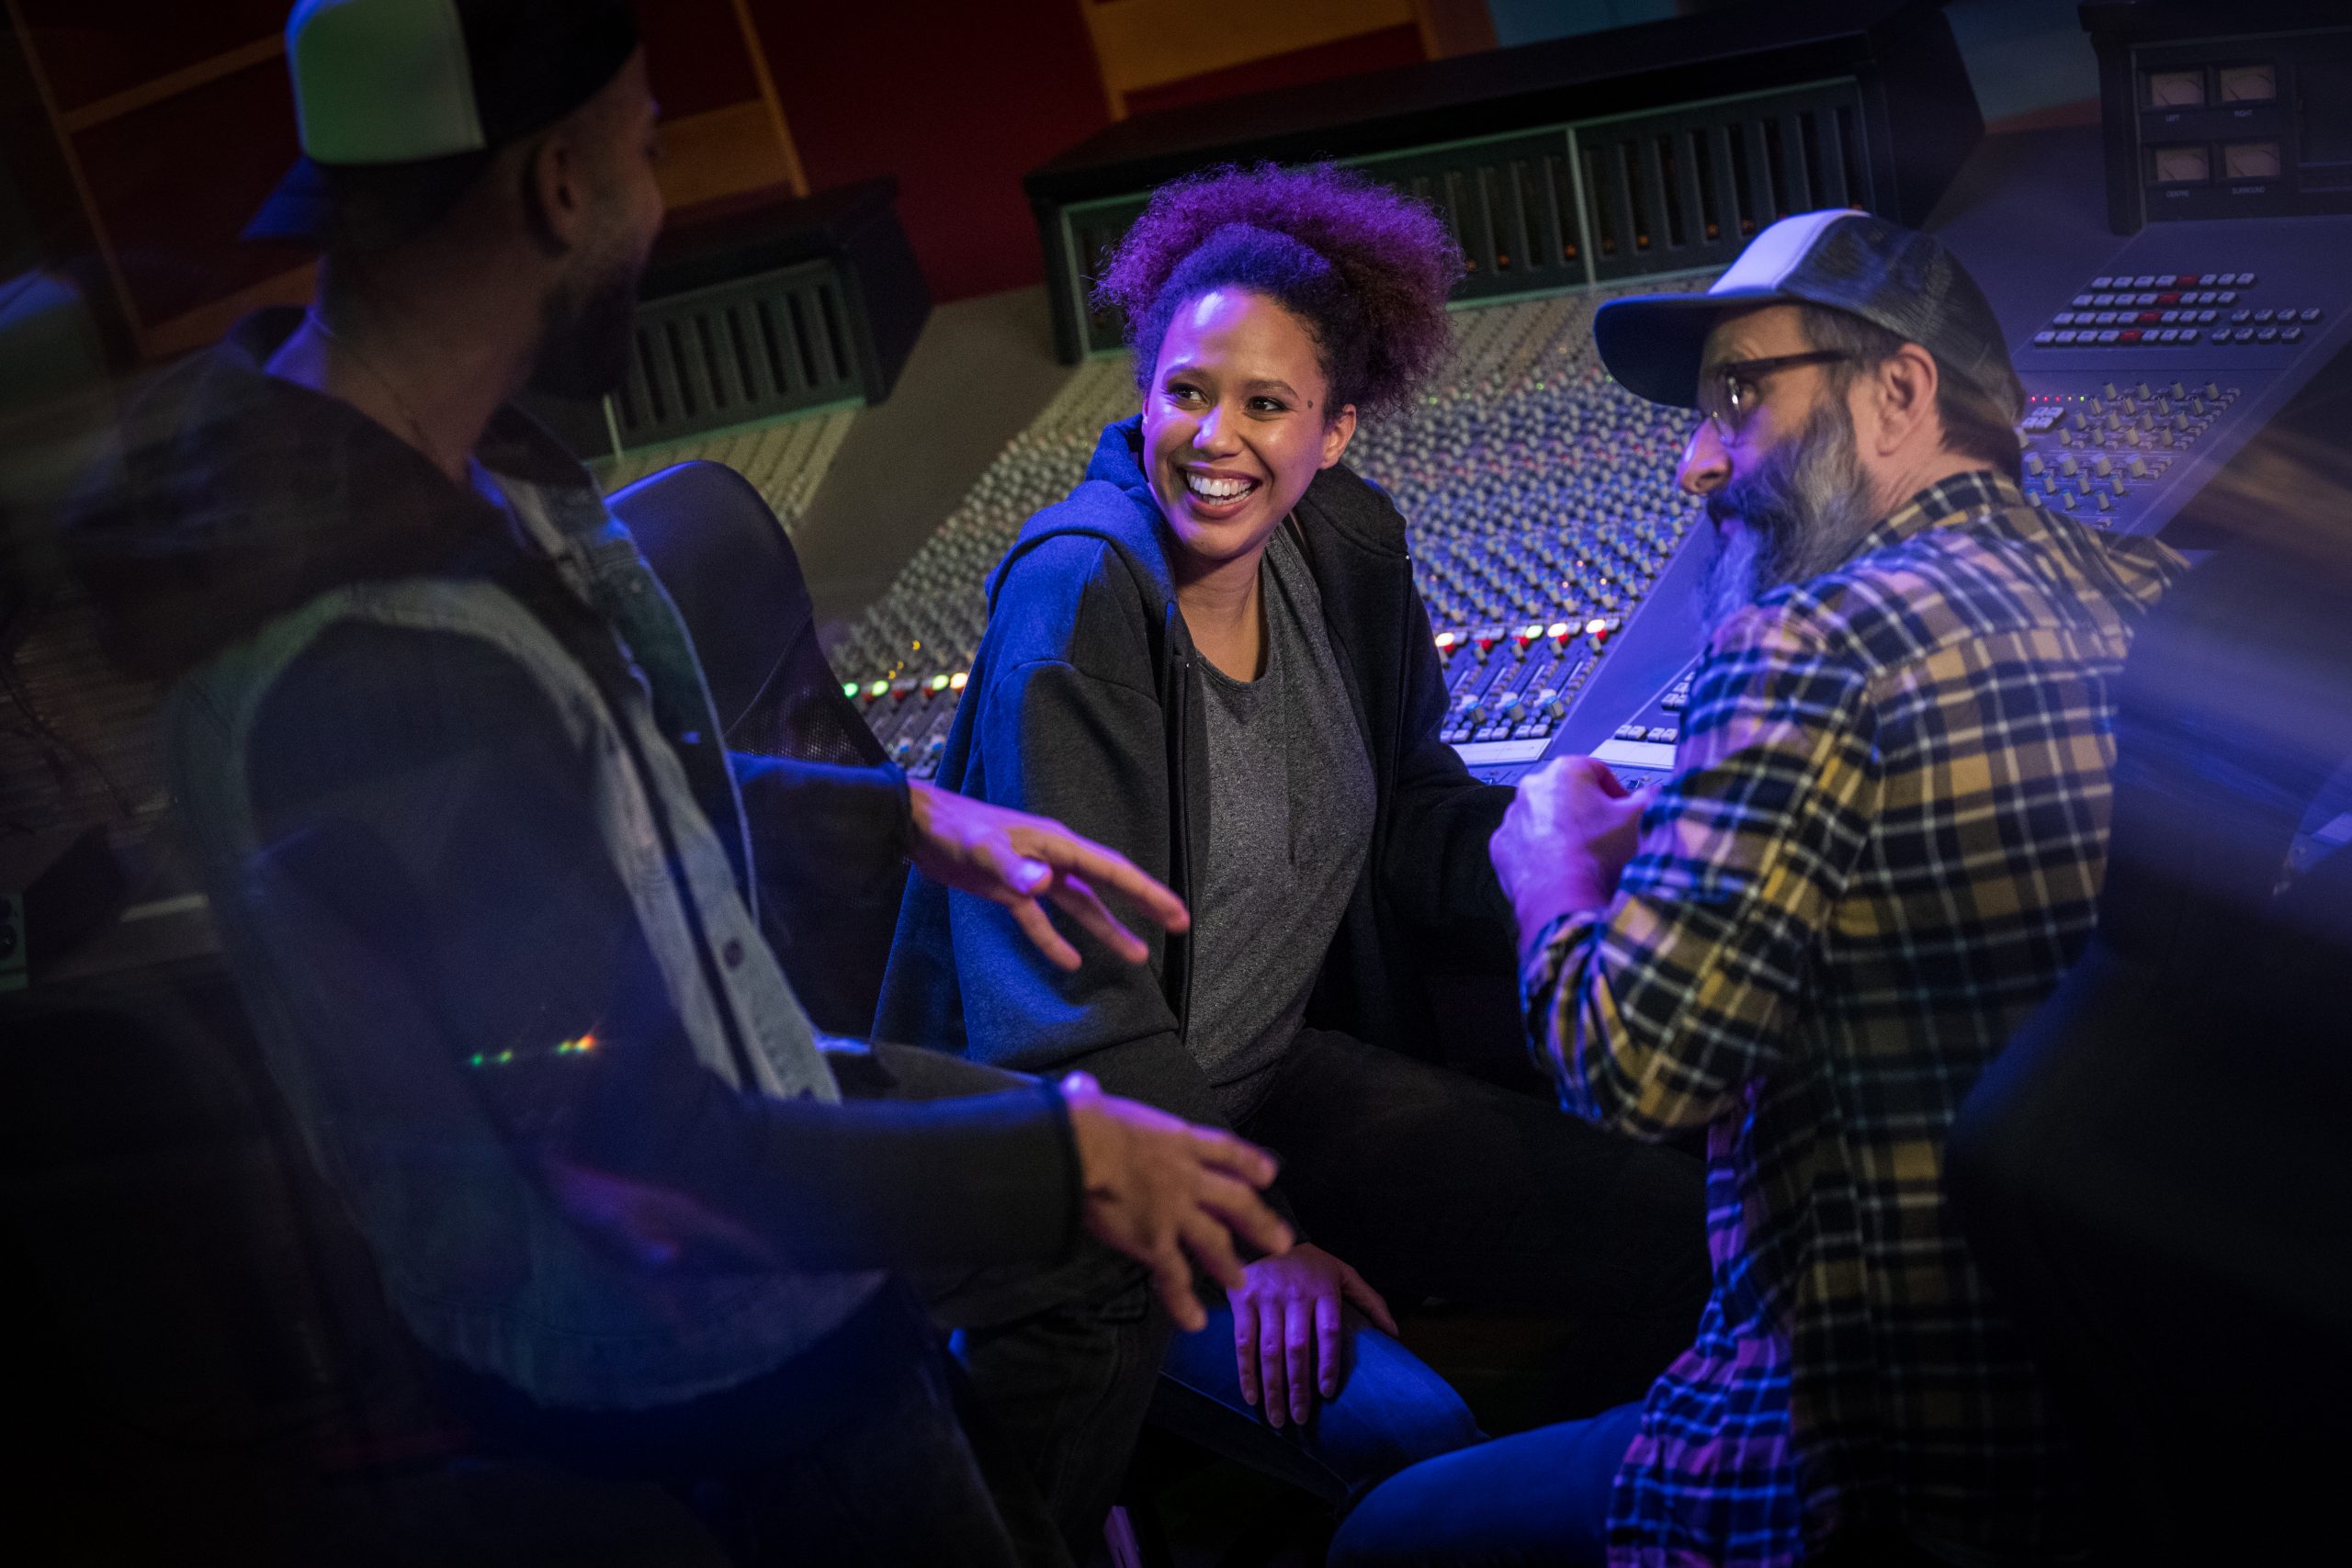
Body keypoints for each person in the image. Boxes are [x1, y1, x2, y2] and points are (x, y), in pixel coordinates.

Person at [62, 4, 1292, 1564]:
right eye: (644, 152)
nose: (659, 197)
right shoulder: (374, 663)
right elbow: (636, 1147)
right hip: (699, 1365)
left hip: (741, 1168)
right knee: (1089, 1194)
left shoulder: (446, 472)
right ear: (559, 189)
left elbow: (571, 810)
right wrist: (1063, 1162)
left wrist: (905, 816)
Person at [1330, 209, 2186, 1568]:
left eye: (1742, 393)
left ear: (1900, 391)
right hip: (2149, 1412)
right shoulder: (2169, 596)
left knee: (1388, 1539)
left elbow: (1636, 1076)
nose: (1696, 459)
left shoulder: (1807, 644)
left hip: (1870, 1444)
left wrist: (1548, 871)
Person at [877, 163, 1709, 1506]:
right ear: (1143, 396)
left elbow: (1418, 818)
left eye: (1267, 405)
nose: (1216, 439)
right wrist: (1261, 1248)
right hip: (1100, 1156)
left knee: (1691, 1241)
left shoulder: (1343, 551)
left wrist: (1612, 867)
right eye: (1187, 392)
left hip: (1283, 1088)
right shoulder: (1082, 595)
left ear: (1336, 431)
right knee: (1411, 1437)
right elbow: (1068, 1005)